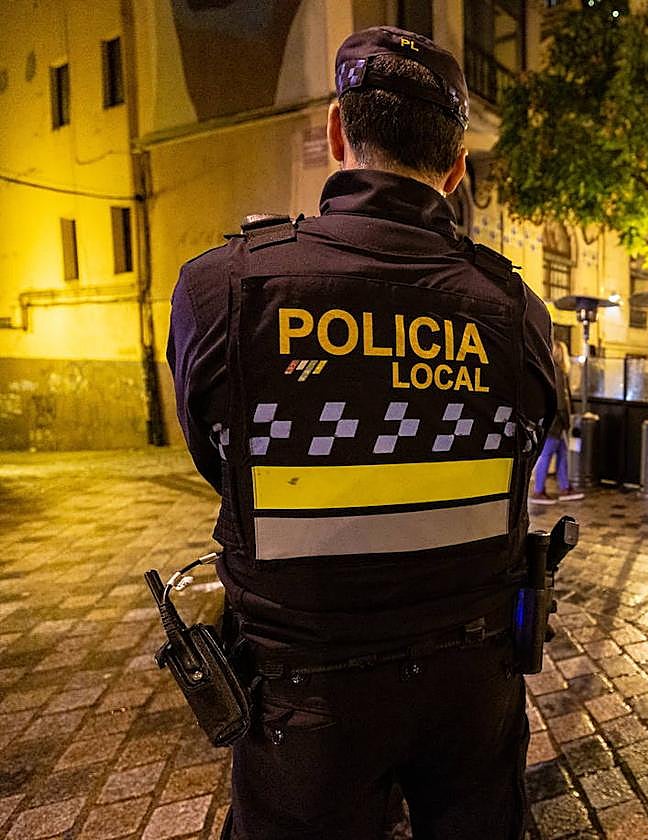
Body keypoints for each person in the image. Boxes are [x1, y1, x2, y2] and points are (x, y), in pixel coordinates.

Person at [166, 26, 555, 840]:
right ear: (457, 170)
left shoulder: (221, 287)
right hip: (472, 684)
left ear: (339, 133)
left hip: (304, 700)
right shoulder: (516, 309)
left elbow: (218, 459)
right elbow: (530, 445)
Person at [531, 340, 583, 504]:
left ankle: (565, 487)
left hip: (553, 421)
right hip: (555, 423)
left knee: (561, 455)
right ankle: (538, 491)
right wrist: (566, 422)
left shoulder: (549, 370)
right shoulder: (558, 372)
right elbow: (561, 401)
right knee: (547, 456)